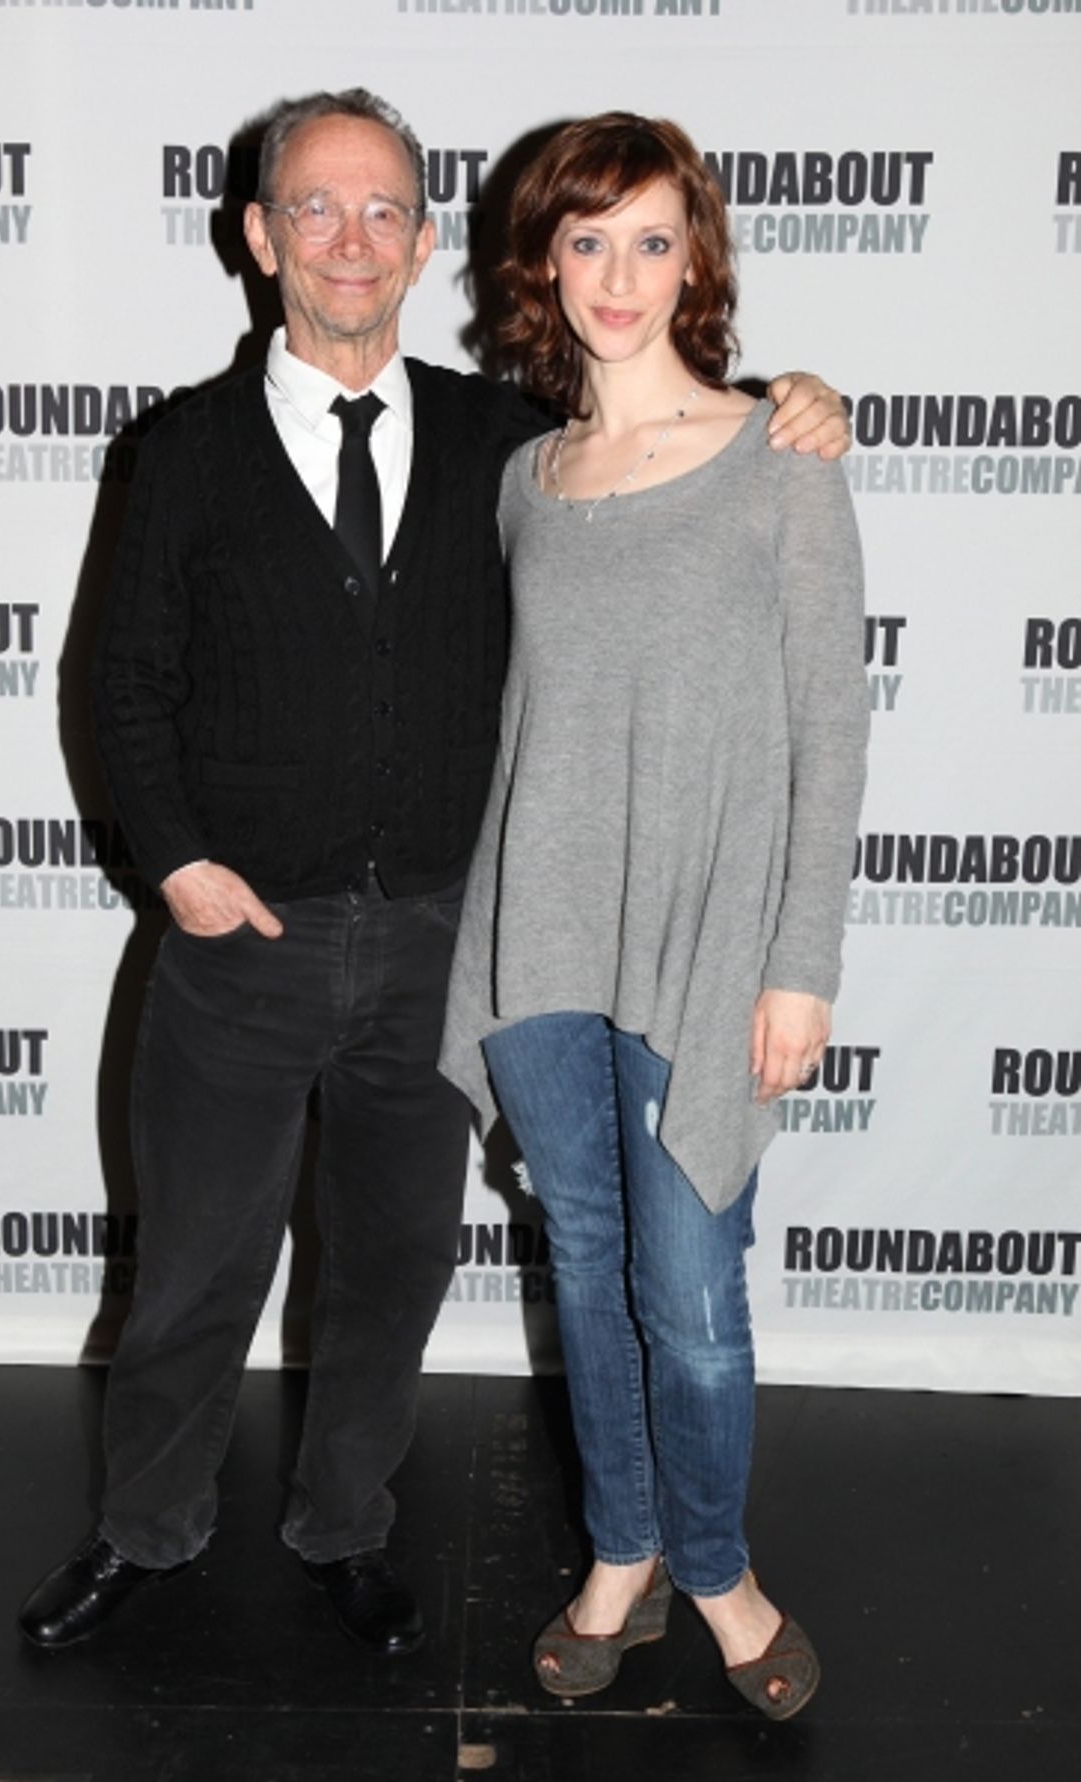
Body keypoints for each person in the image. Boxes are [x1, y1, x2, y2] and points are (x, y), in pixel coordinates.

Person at [18, 88, 850, 1661]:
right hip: (239, 948)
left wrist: (805, 396)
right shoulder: (181, 448)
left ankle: (344, 1525)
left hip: (444, 944)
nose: (352, 239)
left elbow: (670, 491)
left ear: (420, 244)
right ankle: (145, 1530)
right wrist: (183, 862)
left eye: (385, 209)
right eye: (316, 210)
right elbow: (121, 680)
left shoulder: (504, 443)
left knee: (392, 1266)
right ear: (261, 238)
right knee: (195, 1267)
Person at [440, 111, 868, 1718]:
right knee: (593, 1259)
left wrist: (801, 963)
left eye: (653, 238)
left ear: (697, 259)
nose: (620, 273)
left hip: (709, 949)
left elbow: (835, 728)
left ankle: (718, 1568)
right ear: (544, 262)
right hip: (544, 941)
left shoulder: (786, 456)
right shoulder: (525, 481)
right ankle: (620, 1550)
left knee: (692, 1294)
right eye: (587, 238)